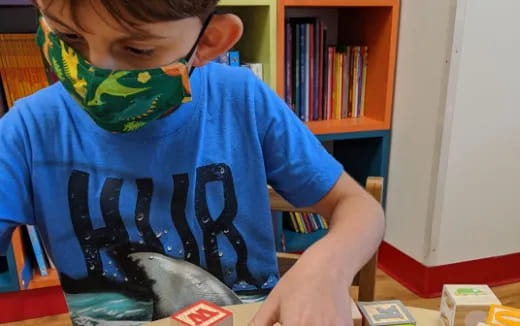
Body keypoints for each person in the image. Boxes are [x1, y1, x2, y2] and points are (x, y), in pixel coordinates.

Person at [0, 0, 385, 325]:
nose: (95, 72)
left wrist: (326, 267)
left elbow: (358, 207)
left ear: (210, 41)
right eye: (69, 38)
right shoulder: (27, 130)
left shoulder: (242, 100)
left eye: (136, 50)